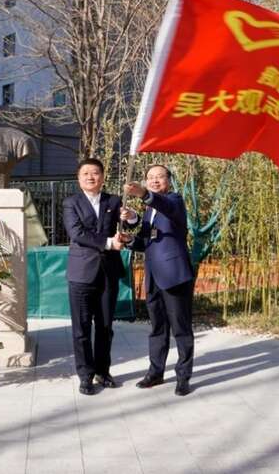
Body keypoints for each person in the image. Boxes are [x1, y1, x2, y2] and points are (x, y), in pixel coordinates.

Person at [120, 164, 194, 396]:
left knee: (181, 329)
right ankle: (156, 372)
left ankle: (183, 377)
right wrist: (129, 239)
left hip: (174, 276)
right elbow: (146, 242)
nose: (154, 180)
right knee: (157, 329)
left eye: (159, 177)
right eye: (150, 177)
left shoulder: (175, 201)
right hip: (153, 277)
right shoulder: (149, 212)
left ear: (168, 180)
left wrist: (143, 193)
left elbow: (166, 206)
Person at [63, 158, 127, 395]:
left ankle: (103, 371)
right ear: (78, 178)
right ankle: (85, 375)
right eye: (86, 173)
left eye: (95, 173)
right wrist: (109, 243)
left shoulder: (114, 201)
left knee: (105, 326)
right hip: (81, 273)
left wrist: (130, 219)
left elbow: (125, 227)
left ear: (102, 177)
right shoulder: (71, 203)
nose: (91, 177)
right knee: (81, 329)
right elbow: (77, 233)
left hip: (108, 272)